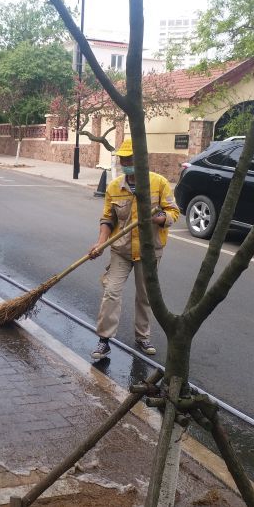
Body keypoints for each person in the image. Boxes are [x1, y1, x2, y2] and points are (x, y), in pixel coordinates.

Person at [88, 138, 179, 360]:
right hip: (121, 250)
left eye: (130, 159)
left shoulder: (159, 183)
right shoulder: (114, 187)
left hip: (149, 251)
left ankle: (142, 337)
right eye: (123, 159)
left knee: (145, 296)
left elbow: (173, 212)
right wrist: (100, 242)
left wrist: (158, 218)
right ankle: (104, 340)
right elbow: (108, 218)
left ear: (141, 160)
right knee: (111, 293)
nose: (126, 163)